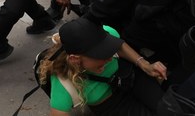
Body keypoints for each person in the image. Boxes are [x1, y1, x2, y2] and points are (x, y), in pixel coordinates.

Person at [38, 17, 167, 115]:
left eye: (109, 49)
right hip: (111, 104)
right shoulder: (62, 85)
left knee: (168, 108)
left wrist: (144, 65)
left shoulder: (104, 33)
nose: (110, 57)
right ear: (74, 59)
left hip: (128, 77)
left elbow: (120, 46)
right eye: (101, 54)